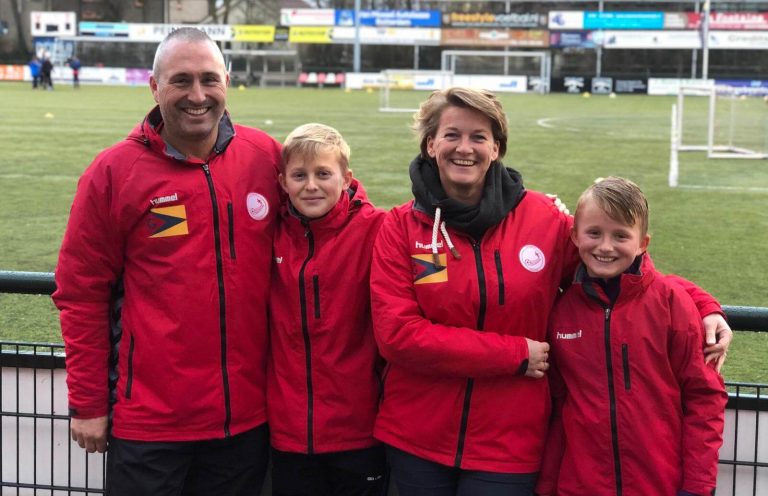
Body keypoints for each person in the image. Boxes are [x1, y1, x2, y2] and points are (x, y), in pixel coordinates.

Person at [368, 87, 732, 496]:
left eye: (479, 137)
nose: (464, 148)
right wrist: (515, 355)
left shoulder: (543, 219)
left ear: (497, 147)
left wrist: (702, 303)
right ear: (431, 144)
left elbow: (613, 269)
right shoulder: (399, 227)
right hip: (415, 436)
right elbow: (397, 336)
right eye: (451, 135)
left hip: (509, 444)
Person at [52, 27, 282, 496]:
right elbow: (81, 294)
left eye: (208, 79)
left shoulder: (266, 157)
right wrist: (88, 402)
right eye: (181, 81)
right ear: (155, 87)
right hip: (150, 426)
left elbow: (334, 205)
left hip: (245, 422)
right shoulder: (112, 173)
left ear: (227, 81)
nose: (197, 95)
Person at [536, 177, 727, 496]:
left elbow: (704, 397)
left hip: (658, 484)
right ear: (574, 236)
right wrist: (546, 485)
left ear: (642, 243)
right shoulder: (562, 311)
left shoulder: (671, 303)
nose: (605, 246)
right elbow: (560, 406)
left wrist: (697, 485)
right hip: (580, 485)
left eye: (621, 236)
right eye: (594, 233)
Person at [267, 123, 387, 496]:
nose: (312, 186)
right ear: (283, 182)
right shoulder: (270, 233)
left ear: (347, 178)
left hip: (359, 431)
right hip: (288, 433)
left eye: (324, 174)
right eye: (299, 176)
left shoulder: (378, 228)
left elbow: (435, 230)